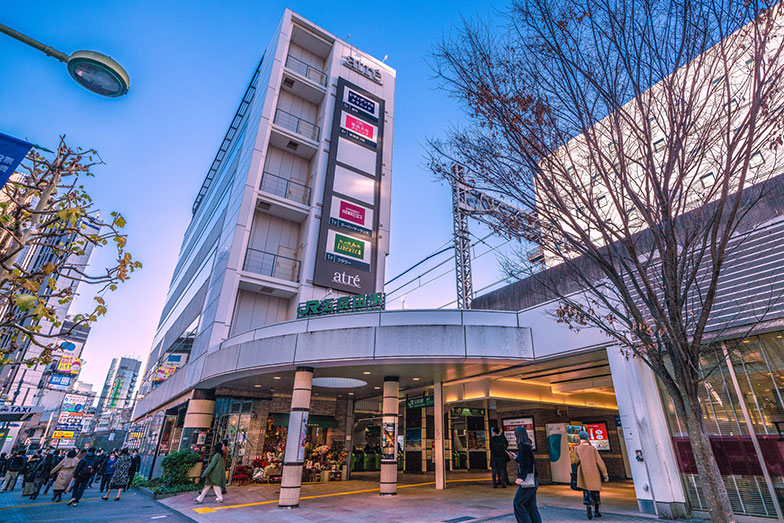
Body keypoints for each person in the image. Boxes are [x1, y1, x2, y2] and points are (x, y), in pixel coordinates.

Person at [573, 430, 609, 520]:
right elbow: (599, 461)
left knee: (586, 491)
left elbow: (575, 461)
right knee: (595, 491)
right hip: (594, 473)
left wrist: (578, 466)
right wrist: (605, 474)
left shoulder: (577, 448)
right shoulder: (593, 448)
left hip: (583, 473)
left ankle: (588, 508)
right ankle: (596, 511)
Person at [512, 426, 541, 523]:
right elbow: (527, 461)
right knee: (531, 506)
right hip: (533, 480)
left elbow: (525, 464)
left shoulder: (522, 446)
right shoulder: (528, 444)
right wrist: (516, 458)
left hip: (527, 482)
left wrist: (521, 477)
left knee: (518, 504)